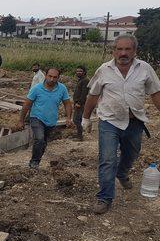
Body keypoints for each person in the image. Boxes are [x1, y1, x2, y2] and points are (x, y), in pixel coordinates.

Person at [82, 35, 160, 214]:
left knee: (132, 153)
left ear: (134, 51)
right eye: (119, 49)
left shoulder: (145, 69)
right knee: (107, 159)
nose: (123, 53)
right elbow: (93, 95)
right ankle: (104, 198)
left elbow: (156, 93)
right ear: (114, 51)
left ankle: (122, 173)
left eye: (127, 49)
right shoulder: (104, 70)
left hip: (135, 122)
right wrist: (86, 118)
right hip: (109, 121)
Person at [17, 67, 73, 169]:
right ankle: (34, 162)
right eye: (50, 76)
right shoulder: (37, 88)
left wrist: (69, 118)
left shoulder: (62, 89)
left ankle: (36, 159)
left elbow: (67, 103)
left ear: (58, 78)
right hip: (36, 117)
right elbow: (27, 105)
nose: (52, 79)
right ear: (45, 75)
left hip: (51, 120)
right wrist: (21, 120)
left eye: (55, 77)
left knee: (43, 143)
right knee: (40, 138)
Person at [72, 65, 90, 140]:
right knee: (76, 119)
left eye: (80, 71)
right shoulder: (81, 80)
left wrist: (79, 103)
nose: (78, 72)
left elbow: (84, 93)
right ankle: (79, 134)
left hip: (80, 104)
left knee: (77, 119)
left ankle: (80, 136)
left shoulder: (85, 80)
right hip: (78, 103)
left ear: (84, 72)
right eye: (77, 71)